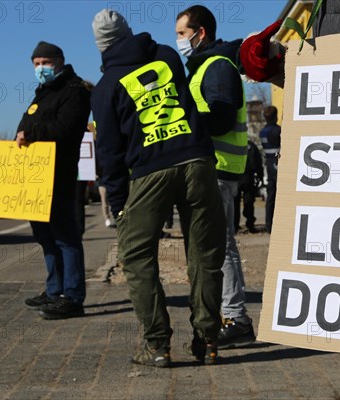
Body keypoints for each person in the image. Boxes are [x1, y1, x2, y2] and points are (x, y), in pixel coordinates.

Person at [91, 9, 226, 367]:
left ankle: (156, 345)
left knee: (136, 256)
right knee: (204, 254)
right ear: (129, 32)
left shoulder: (106, 89)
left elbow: (109, 153)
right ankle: (208, 341)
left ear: (101, 46)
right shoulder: (166, 54)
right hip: (197, 159)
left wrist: (119, 206)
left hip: (150, 170)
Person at [176, 4, 255, 349]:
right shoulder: (206, 66)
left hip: (219, 168)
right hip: (215, 167)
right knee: (217, 247)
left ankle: (235, 317)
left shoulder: (217, 66)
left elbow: (221, 116)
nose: (179, 40)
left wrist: (184, 125)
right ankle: (230, 315)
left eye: (182, 33)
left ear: (200, 32)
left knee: (221, 248)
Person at [17, 41, 91, 320]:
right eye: (36, 64)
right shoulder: (44, 92)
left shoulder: (74, 91)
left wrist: (31, 131)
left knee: (65, 238)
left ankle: (72, 296)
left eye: (45, 63)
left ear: (59, 61)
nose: (40, 69)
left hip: (59, 176)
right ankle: (54, 290)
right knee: (45, 236)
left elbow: (67, 129)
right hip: (35, 178)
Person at [259, 106, 281, 233]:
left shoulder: (262, 132)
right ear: (275, 116)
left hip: (268, 163)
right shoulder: (277, 131)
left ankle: (269, 225)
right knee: (281, 194)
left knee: (271, 196)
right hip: (278, 162)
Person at [234, 139, 263, 233]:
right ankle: (250, 225)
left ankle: (234, 226)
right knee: (249, 201)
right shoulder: (251, 145)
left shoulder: (233, 143)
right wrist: (260, 176)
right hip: (248, 176)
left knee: (234, 202)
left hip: (235, 175)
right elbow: (258, 161)